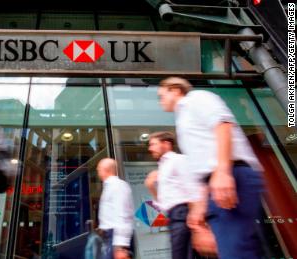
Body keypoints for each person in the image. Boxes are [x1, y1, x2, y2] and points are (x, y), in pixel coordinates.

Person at [157, 77, 264, 258]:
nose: (161, 101)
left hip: (232, 174)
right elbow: (199, 166)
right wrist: (199, 207)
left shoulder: (197, 98)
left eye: (161, 95)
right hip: (215, 183)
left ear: (175, 90)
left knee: (236, 250)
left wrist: (223, 171)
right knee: (232, 248)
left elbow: (222, 125)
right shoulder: (182, 120)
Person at [144, 131, 216, 259]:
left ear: (166, 144)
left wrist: (199, 225)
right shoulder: (163, 167)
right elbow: (164, 203)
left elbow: (194, 189)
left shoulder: (178, 160)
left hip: (183, 215)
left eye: (153, 144)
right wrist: (151, 186)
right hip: (174, 216)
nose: (150, 148)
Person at [96, 158, 134, 259]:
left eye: (99, 168)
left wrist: (120, 246)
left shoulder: (118, 186)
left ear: (106, 170)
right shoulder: (109, 186)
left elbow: (122, 215)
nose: (97, 171)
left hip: (115, 238)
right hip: (109, 238)